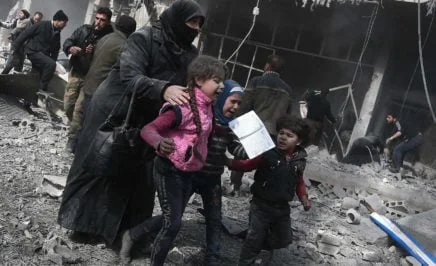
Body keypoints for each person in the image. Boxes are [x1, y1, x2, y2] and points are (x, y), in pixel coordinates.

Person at [57, 0, 205, 246]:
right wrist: (164, 89)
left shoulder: (190, 53)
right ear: (177, 20)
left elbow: (194, 85)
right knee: (99, 163)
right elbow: (129, 75)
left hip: (148, 117)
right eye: (192, 22)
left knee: (137, 174)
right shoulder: (143, 39)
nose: (196, 28)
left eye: (199, 24)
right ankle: (82, 226)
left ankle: (122, 233)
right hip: (115, 109)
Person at [119, 80, 245, 266]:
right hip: (190, 174)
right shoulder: (205, 117)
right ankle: (133, 235)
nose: (235, 107)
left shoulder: (233, 126)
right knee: (172, 218)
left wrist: (257, 148)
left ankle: (212, 258)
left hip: (212, 179)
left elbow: (236, 149)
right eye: (232, 101)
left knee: (214, 218)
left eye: (239, 104)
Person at [223, 115, 311, 266]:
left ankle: (262, 247)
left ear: (299, 141)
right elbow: (247, 165)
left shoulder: (299, 160)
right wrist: (227, 161)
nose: (283, 138)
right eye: (281, 133)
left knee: (283, 239)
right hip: (261, 206)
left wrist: (303, 198)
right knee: (253, 240)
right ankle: (246, 262)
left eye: (289, 136)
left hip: (282, 208)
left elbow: (299, 181)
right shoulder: (268, 152)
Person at [230, 54, 292, 195]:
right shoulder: (288, 90)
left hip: (255, 128)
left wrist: (237, 127)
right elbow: (288, 115)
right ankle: (261, 190)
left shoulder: (257, 81)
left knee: (241, 157)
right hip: (274, 132)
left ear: (267, 66)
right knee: (267, 163)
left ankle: (235, 187)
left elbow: (244, 106)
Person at [70, 15, 137, 146]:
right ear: (131, 31)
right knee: (92, 124)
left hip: (89, 84)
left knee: (82, 118)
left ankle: (73, 144)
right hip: (101, 90)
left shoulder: (105, 38)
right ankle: (80, 151)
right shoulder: (124, 45)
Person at [63, 7, 114, 152]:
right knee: (68, 105)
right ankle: (76, 128)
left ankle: (72, 139)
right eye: (97, 18)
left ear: (108, 21)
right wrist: (70, 48)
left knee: (80, 108)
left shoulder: (109, 37)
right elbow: (68, 41)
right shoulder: (84, 29)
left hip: (92, 77)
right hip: (76, 72)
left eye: (102, 20)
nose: (98, 22)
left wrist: (95, 52)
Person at [12, 10, 68, 93]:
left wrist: (53, 60)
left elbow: (56, 49)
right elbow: (26, 34)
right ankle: (42, 90)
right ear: (57, 20)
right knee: (50, 64)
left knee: (35, 76)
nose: (65, 26)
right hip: (33, 52)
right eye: (64, 23)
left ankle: (27, 101)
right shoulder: (42, 24)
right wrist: (15, 46)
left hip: (42, 55)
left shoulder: (57, 32)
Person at [0, 9, 31, 74]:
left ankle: (10, 77)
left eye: (21, 13)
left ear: (25, 15)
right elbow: (10, 26)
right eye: (19, 13)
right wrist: (1, 24)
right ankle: (4, 76)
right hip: (15, 46)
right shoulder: (17, 21)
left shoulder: (27, 22)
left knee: (19, 64)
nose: (19, 14)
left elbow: (19, 28)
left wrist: (12, 33)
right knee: (11, 62)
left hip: (23, 46)